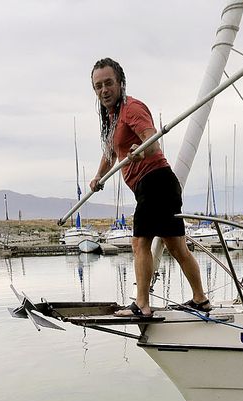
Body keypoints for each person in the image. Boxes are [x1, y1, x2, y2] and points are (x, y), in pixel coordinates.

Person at [88, 57, 210, 320]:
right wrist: (99, 176)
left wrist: (139, 152)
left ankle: (141, 304)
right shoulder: (112, 116)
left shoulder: (132, 108)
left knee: (139, 242)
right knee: (176, 246)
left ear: (120, 83)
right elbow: (111, 152)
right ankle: (200, 299)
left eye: (108, 83)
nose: (104, 90)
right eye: (98, 86)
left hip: (155, 181)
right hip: (156, 185)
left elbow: (153, 142)